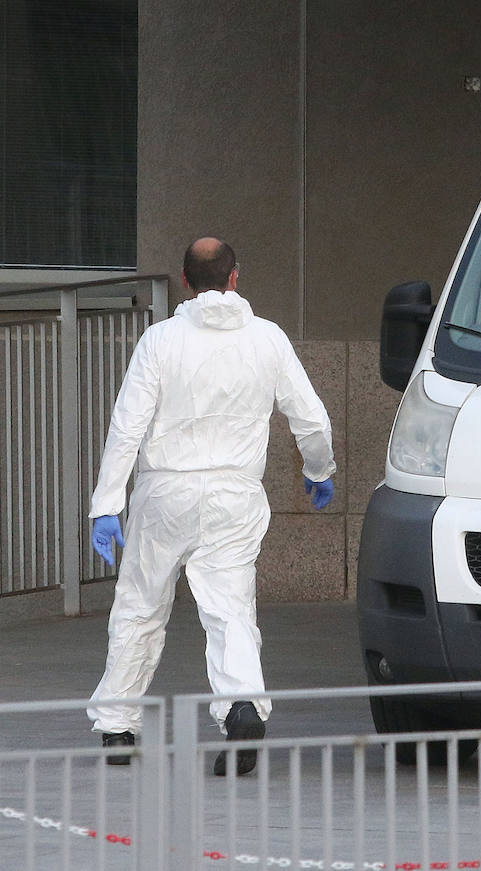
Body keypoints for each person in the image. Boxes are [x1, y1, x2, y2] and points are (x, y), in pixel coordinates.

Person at [87, 237, 336, 775]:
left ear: (183, 280)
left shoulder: (159, 341)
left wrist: (107, 501)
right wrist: (320, 469)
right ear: (235, 278)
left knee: (140, 607)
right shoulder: (267, 339)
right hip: (234, 494)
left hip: (163, 494)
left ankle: (116, 728)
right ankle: (241, 706)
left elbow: (127, 425)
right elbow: (311, 418)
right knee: (230, 611)